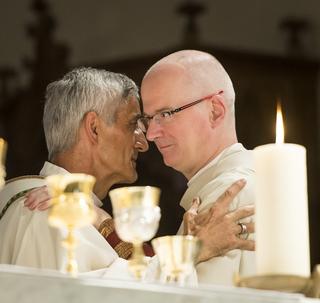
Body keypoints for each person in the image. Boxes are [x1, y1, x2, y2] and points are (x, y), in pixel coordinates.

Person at [0, 67, 254, 280]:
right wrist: (194, 250)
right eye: (134, 124)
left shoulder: (54, 205)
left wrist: (101, 221)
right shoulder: (50, 213)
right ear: (94, 128)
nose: (144, 142)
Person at [139, 50, 255, 285]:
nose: (151, 134)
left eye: (166, 113)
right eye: (148, 118)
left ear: (215, 111)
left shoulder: (227, 195)